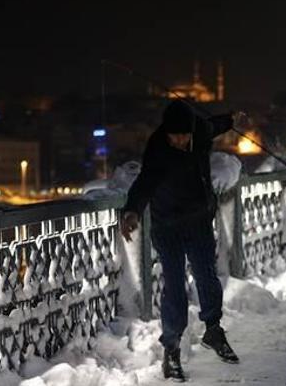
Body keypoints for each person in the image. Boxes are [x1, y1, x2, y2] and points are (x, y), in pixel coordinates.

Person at [120, 99, 239, 382]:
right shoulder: (159, 147)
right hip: (168, 226)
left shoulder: (200, 131)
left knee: (206, 277)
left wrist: (232, 119)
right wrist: (132, 210)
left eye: (183, 135)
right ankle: (171, 350)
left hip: (198, 222)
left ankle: (213, 330)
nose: (179, 140)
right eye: (174, 135)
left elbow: (215, 126)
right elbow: (145, 181)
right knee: (174, 287)